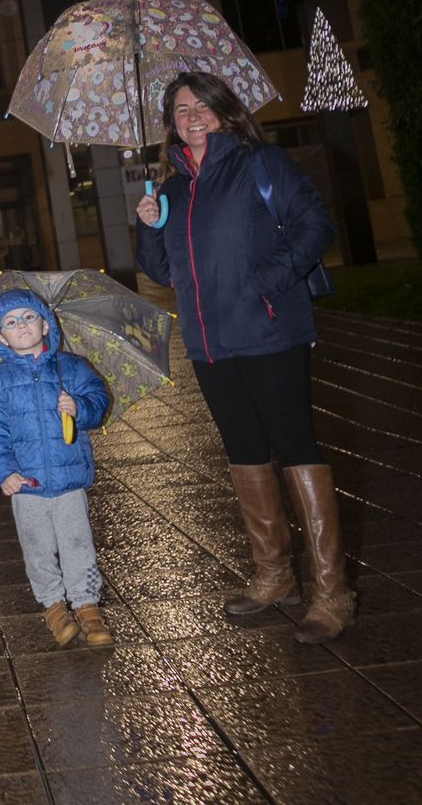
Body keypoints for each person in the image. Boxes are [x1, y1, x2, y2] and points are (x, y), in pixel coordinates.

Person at [135, 70, 354, 642]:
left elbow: (315, 224)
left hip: (269, 330)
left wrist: (268, 280)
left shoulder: (262, 162)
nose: (192, 116)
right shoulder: (173, 187)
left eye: (200, 105)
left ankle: (332, 591)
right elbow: (160, 270)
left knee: (295, 447)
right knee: (244, 451)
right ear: (171, 126)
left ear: (223, 110)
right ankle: (274, 575)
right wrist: (149, 226)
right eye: (180, 110)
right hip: (209, 344)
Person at [0, 289, 113, 647]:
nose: (21, 326)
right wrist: (4, 471)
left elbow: (99, 402)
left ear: (46, 324)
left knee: (77, 542)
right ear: (0, 336)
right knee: (37, 546)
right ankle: (53, 604)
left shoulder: (72, 368)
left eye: (28, 317)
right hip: (27, 483)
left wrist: (80, 407)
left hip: (69, 478)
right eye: (10, 322)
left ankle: (86, 604)